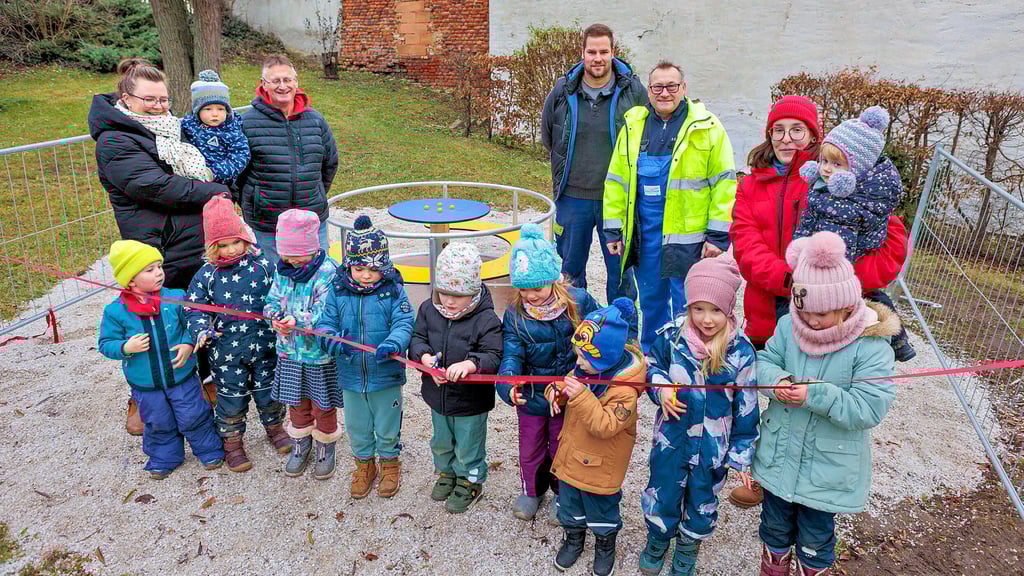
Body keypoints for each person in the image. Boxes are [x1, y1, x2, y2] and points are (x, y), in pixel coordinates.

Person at [729, 95, 907, 509]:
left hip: (828, 307)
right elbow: (746, 239)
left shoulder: (843, 178)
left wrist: (833, 286)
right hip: (771, 302)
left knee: (816, 384)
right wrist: (790, 278)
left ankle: (807, 474)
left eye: (797, 130)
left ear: (813, 134)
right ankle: (759, 470)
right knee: (767, 381)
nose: (787, 138)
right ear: (768, 134)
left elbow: (889, 245)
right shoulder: (753, 181)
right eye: (779, 130)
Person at [88, 58, 229, 436]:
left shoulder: (169, 131)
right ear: (126, 98)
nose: (159, 107)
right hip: (155, 245)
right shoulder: (116, 139)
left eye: (164, 99)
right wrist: (214, 191)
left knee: (189, 314)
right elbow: (154, 186)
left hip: (189, 242)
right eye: (149, 99)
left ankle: (196, 381)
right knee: (150, 320)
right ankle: (143, 392)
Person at [754, 231, 898, 576]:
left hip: (826, 470)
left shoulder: (871, 346)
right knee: (773, 529)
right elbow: (762, 362)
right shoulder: (789, 327)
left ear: (847, 304)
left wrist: (816, 394)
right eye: (806, 312)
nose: (813, 322)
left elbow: (869, 408)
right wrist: (777, 382)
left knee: (815, 540)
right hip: (779, 459)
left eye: (822, 313)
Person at [604, 60, 736, 353]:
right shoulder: (633, 126)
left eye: (672, 86)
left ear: (684, 88)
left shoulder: (707, 128)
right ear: (648, 91)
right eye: (658, 87)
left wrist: (717, 235)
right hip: (647, 235)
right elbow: (616, 181)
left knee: (691, 302)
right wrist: (613, 228)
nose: (665, 93)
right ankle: (654, 359)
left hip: (691, 239)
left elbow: (725, 184)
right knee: (650, 301)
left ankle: (691, 358)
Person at [639, 255, 759, 576]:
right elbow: (650, 368)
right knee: (663, 489)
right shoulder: (671, 337)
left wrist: (742, 456)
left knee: (703, 500)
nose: (706, 319)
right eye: (698, 309)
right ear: (688, 305)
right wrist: (660, 387)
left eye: (716, 310)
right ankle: (658, 537)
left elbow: (747, 407)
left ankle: (688, 547)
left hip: (711, 450)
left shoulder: (741, 352)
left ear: (730, 309)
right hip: (671, 440)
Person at [541, 23, 645, 335]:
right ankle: (575, 336)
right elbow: (549, 136)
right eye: (591, 51)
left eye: (604, 51)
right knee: (571, 273)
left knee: (621, 276)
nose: (597, 58)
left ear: (613, 53)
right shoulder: (562, 92)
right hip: (573, 198)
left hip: (618, 202)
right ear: (582, 53)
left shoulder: (633, 91)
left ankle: (625, 341)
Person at [496, 223, 600, 523]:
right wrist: (509, 383)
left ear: (554, 280)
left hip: (566, 397)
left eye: (537, 287)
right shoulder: (515, 314)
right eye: (523, 288)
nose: (530, 295)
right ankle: (531, 489)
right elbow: (511, 354)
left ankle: (562, 494)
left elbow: (598, 336)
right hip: (531, 398)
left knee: (562, 447)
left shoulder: (578, 302)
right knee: (530, 448)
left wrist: (578, 382)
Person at [796, 105, 915, 361]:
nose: (827, 169)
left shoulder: (846, 205)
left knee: (865, 297)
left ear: (857, 169)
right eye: (824, 161)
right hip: (837, 249)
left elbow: (843, 249)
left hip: (850, 258)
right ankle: (899, 341)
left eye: (837, 164)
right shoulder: (828, 189)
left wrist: (830, 276)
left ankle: (898, 340)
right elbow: (810, 220)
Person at [98, 240, 223, 479]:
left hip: (182, 377)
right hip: (146, 385)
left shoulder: (175, 298)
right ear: (130, 280)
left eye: (159, 266)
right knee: (157, 422)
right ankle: (165, 457)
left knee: (194, 414)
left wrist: (189, 344)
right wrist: (126, 346)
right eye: (150, 269)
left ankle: (209, 449)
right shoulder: (115, 311)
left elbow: (193, 323)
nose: (159, 273)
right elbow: (105, 344)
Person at [184, 197, 287, 473]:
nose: (230, 250)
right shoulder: (206, 274)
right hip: (226, 351)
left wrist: (280, 314)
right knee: (231, 398)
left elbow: (279, 295)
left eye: (235, 242)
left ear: (245, 239)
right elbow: (194, 309)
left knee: (270, 393)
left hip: (265, 345)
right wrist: (202, 330)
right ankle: (232, 444)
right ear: (212, 247)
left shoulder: (264, 265)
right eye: (222, 246)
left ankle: (276, 429)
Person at [546, 298, 646, 576]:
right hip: (570, 459)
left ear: (606, 357)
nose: (576, 362)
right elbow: (561, 385)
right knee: (570, 507)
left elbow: (604, 426)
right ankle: (574, 538)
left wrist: (578, 396)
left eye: (583, 357)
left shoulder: (625, 392)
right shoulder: (585, 371)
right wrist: (556, 394)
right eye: (577, 354)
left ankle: (605, 545)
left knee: (602, 512)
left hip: (601, 469)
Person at [316, 215, 415, 498]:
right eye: (359, 268)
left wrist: (394, 343)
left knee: (387, 423)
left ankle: (390, 462)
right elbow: (325, 325)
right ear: (349, 265)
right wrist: (335, 343)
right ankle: (364, 464)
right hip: (350, 374)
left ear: (384, 266)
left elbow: (405, 323)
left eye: (373, 269)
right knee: (357, 426)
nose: (366, 275)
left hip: (385, 373)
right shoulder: (338, 291)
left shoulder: (394, 290)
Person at [409, 243, 503, 514]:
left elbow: (494, 355)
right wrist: (424, 358)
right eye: (444, 293)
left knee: (469, 443)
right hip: (437, 395)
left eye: (457, 295)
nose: (449, 301)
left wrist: (472, 364)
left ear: (473, 291)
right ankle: (447, 472)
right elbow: (417, 339)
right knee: (441, 439)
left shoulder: (486, 319)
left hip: (471, 402)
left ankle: (470, 480)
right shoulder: (429, 309)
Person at [238, 54, 338, 266]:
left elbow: (329, 163)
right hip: (268, 222)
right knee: (275, 283)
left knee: (318, 278)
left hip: (312, 218)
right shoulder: (247, 123)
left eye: (287, 80)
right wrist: (255, 201)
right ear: (264, 85)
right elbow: (237, 172)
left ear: (296, 82)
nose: (282, 86)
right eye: (275, 81)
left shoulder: (315, 120)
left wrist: (314, 192)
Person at [264, 209, 341, 480]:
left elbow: (326, 314)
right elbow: (271, 303)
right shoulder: (282, 270)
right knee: (296, 402)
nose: (292, 261)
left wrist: (295, 320)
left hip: (318, 356)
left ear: (312, 248)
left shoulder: (328, 272)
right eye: (287, 255)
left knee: (323, 403)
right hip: (289, 353)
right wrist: (274, 319)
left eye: (298, 255)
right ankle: (301, 443)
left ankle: (325, 445)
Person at [181, 70, 251, 185]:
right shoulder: (188, 125)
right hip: (191, 179)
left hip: (221, 182)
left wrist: (214, 172)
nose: (215, 114)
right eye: (208, 109)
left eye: (220, 109)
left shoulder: (232, 131)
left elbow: (240, 156)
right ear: (197, 111)